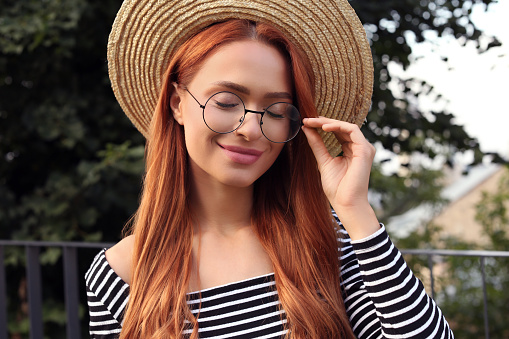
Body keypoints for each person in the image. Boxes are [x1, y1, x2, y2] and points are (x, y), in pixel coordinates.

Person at [85, 0, 455, 338]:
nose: (250, 129)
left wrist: (356, 211)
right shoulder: (120, 273)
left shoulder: (330, 240)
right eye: (227, 101)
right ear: (177, 103)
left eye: (277, 112)